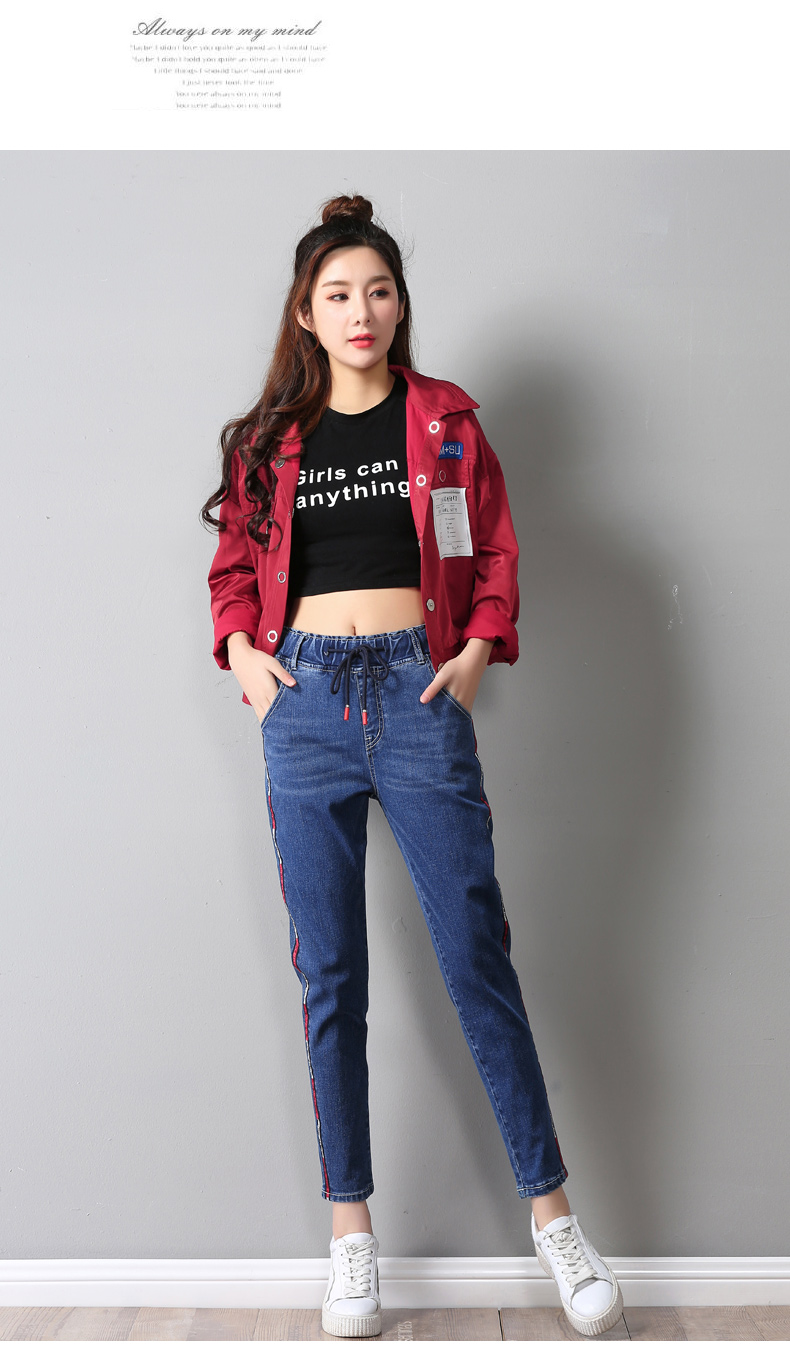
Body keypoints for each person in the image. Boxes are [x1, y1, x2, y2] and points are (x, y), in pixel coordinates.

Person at [201, 193, 623, 1339]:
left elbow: (492, 550)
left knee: (474, 955)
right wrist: (242, 652)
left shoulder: (444, 424)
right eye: (337, 293)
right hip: (301, 704)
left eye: (378, 290)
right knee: (330, 976)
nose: (361, 311)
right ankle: (352, 1238)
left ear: (399, 305)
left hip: (417, 696)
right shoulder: (267, 443)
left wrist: (479, 649)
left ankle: (554, 1220)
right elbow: (234, 567)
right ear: (305, 312)